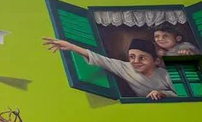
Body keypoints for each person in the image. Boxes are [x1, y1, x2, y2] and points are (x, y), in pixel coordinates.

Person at [43, 37, 176, 100]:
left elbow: (186, 95)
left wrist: (162, 93)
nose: (135, 61)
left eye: (142, 58)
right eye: (132, 57)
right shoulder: (126, 68)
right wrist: (71, 46)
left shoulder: (166, 75)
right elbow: (100, 59)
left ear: (156, 60)